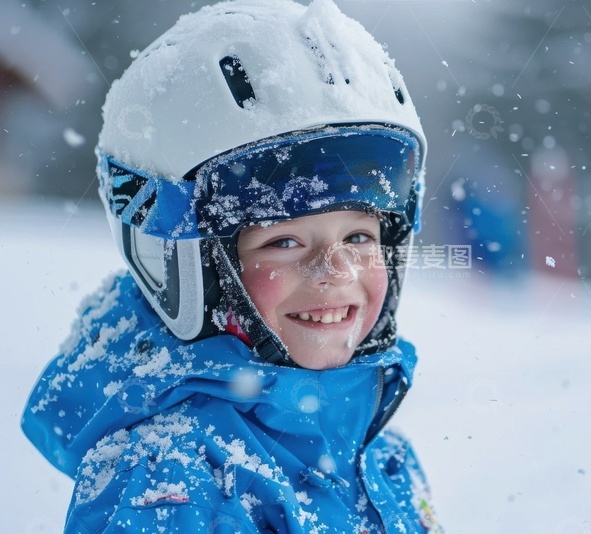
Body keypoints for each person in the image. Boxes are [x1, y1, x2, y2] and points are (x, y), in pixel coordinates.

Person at [21, 1, 442, 532]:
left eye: (358, 235)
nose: (334, 270)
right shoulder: (170, 483)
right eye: (284, 241)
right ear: (186, 269)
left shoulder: (381, 456)